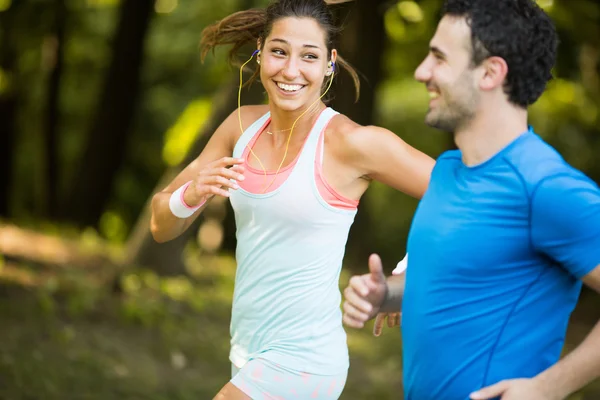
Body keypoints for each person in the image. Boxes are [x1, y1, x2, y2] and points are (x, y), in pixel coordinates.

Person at [149, 0, 434, 399]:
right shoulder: (241, 126)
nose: (291, 70)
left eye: (309, 56)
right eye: (279, 51)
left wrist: (409, 272)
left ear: (329, 63)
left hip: (305, 359)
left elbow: (464, 197)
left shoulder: (351, 142)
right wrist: (190, 194)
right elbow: (161, 225)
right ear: (260, 51)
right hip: (247, 352)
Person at [342, 0, 600, 399]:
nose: (421, 72)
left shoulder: (545, 185)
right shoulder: (447, 171)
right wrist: (386, 296)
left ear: (491, 72)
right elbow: (456, 282)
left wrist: (549, 388)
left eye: (439, 58)